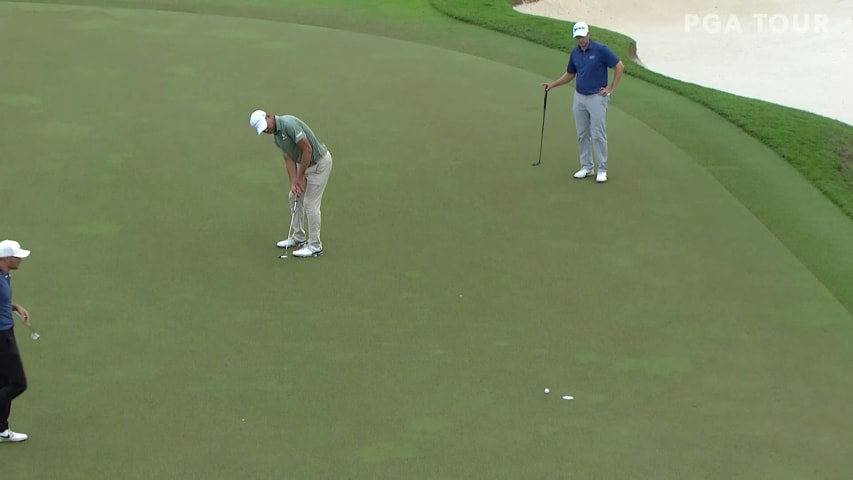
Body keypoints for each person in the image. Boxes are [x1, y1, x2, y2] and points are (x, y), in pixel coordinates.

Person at [544, 21, 625, 183]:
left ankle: (602, 169)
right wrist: (552, 85)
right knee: (582, 134)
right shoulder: (575, 53)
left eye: (582, 36)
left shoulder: (600, 50)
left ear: (589, 34)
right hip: (579, 97)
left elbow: (619, 66)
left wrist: (611, 88)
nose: (580, 39)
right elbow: (570, 74)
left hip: (597, 98)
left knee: (598, 134)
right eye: (578, 37)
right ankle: (586, 167)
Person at [249, 110, 333, 258]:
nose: (266, 131)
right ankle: (299, 237)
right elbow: (288, 159)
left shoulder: (288, 124)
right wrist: (294, 182)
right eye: (263, 130)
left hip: (319, 164)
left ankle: (315, 246)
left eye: (265, 126)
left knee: (310, 204)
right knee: (294, 196)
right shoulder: (276, 137)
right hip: (306, 165)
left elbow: (307, 149)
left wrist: (300, 178)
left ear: (268, 116)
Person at [0, 240, 31, 443]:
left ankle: (2, 430)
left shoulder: (5, 275)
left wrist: (14, 306)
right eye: (16, 257)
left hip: (6, 332)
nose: (20, 260)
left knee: (3, 382)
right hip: (1, 336)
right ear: (6, 258)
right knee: (18, 383)